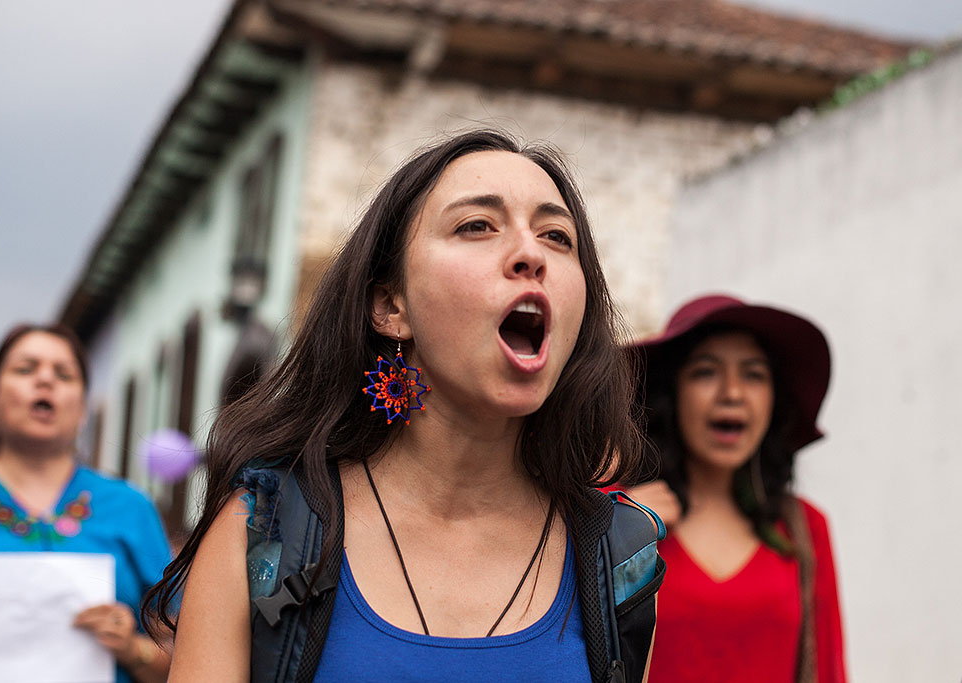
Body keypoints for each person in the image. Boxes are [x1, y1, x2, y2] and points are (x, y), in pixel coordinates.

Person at [145, 129, 660, 683]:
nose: (531, 254)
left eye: (557, 236)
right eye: (476, 226)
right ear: (391, 306)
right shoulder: (264, 531)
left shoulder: (619, 558)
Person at [619, 294, 846, 682]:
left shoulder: (806, 528)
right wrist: (617, 534)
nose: (733, 393)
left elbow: (828, 671)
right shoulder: (619, 514)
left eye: (754, 374)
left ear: (775, 400)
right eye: (706, 372)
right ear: (671, 393)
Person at [0, 324, 172, 682]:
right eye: (25, 369)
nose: (45, 380)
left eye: (63, 374)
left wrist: (133, 649)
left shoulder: (130, 506)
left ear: (82, 409)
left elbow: (191, 657)